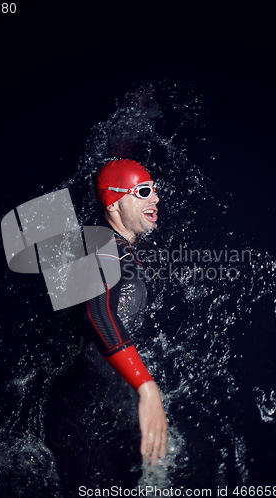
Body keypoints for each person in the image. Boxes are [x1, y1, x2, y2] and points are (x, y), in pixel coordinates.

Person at [85, 158, 167, 466]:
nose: (156, 197)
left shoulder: (118, 245)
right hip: (97, 397)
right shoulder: (100, 246)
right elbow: (97, 315)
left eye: (154, 189)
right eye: (143, 192)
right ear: (114, 204)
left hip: (111, 387)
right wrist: (147, 388)